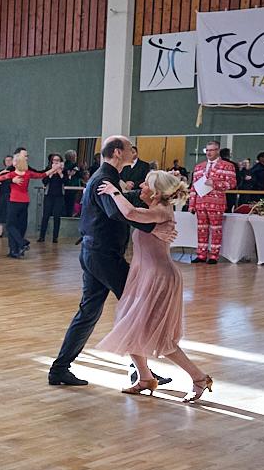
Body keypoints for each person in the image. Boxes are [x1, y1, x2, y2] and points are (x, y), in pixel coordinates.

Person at [48, 135, 178, 387]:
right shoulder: (104, 180)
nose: (133, 152)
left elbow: (123, 205)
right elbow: (116, 211)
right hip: (103, 255)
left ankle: (59, 369)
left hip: (96, 253)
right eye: (130, 149)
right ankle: (141, 373)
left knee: (89, 312)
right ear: (118, 152)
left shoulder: (107, 178)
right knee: (135, 309)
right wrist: (154, 227)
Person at [94, 171, 214, 402]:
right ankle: (145, 378)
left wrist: (114, 191)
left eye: (146, 184)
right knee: (129, 326)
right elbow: (129, 210)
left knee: (160, 338)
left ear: (157, 192)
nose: (141, 186)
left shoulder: (160, 212)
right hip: (145, 276)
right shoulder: (155, 209)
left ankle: (199, 377)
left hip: (160, 279)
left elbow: (129, 212)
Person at [0, 149, 53, 258]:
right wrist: (54, 169)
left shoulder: (12, 174)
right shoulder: (28, 173)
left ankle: (22, 243)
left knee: (10, 225)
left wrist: (4, 175)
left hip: (14, 202)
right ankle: (16, 249)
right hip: (25, 202)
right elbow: (42, 175)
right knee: (19, 225)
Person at [188, 140, 236, 264]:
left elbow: (232, 184)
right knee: (201, 229)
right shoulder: (199, 167)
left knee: (216, 229)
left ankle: (214, 255)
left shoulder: (227, 166)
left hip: (216, 202)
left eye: (212, 150)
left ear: (218, 151)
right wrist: (191, 204)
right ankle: (201, 254)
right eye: (207, 150)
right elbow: (193, 187)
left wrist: (215, 184)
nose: (209, 153)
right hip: (200, 202)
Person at [39, 153, 66, 243]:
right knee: (45, 216)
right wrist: (50, 174)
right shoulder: (48, 169)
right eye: (54, 160)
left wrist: (60, 173)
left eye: (58, 160)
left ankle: (55, 237)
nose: (56, 162)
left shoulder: (63, 170)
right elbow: (44, 181)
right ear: (51, 161)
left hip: (59, 196)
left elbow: (66, 181)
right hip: (48, 196)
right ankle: (42, 236)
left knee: (57, 216)